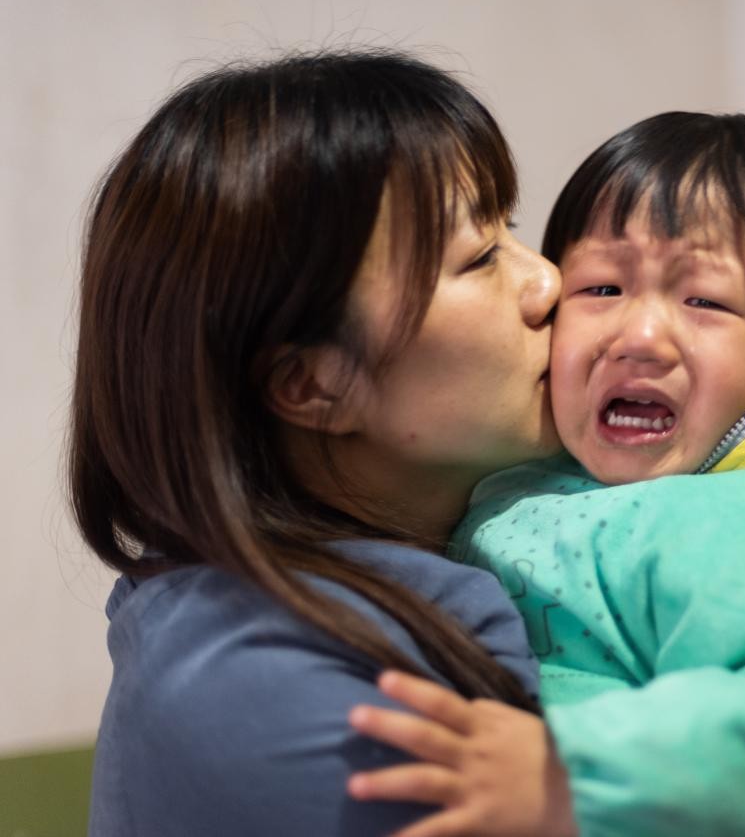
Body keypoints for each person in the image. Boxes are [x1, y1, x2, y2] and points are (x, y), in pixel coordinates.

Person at [348, 113, 745, 836]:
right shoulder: (519, 469)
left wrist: (571, 775)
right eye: (601, 287)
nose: (636, 337)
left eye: (704, 301)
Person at [72, 51, 576, 836]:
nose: (547, 281)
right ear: (310, 385)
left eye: (508, 229)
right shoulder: (252, 688)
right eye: (478, 257)